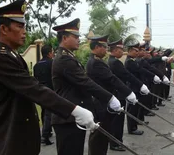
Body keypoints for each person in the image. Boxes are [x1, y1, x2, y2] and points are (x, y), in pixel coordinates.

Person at [0, 0, 97, 155]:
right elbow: (34, 89)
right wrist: (74, 110)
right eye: (20, 26)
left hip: (17, 137)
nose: (25, 32)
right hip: (7, 139)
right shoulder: (1, 59)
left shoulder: (12, 55)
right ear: (3, 29)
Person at [51, 19, 121, 155]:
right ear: (64, 38)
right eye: (75, 37)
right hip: (67, 117)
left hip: (73, 115)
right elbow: (85, 82)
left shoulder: (69, 57)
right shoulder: (64, 59)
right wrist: (110, 98)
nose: (79, 40)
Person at [86, 35, 138, 155]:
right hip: (101, 103)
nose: (106, 50)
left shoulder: (97, 61)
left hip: (104, 101)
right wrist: (128, 92)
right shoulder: (95, 63)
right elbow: (112, 79)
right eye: (104, 47)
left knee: (102, 136)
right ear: (97, 47)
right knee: (99, 136)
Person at [107, 38, 150, 151]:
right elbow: (126, 76)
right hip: (118, 94)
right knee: (117, 121)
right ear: (115, 50)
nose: (122, 52)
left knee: (118, 120)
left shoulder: (113, 61)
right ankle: (115, 143)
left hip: (119, 93)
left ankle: (117, 141)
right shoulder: (115, 62)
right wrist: (135, 88)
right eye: (121, 49)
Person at [125, 42, 159, 134]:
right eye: (136, 51)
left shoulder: (133, 60)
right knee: (132, 110)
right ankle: (132, 128)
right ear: (130, 51)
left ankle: (134, 125)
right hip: (133, 88)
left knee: (135, 108)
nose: (137, 52)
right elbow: (140, 71)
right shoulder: (129, 62)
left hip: (137, 87)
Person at [33, 44, 55, 145]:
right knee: (48, 114)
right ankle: (45, 135)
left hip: (40, 91)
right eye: (53, 51)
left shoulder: (36, 65)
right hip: (50, 91)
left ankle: (48, 131)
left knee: (44, 112)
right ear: (50, 53)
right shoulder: (52, 63)